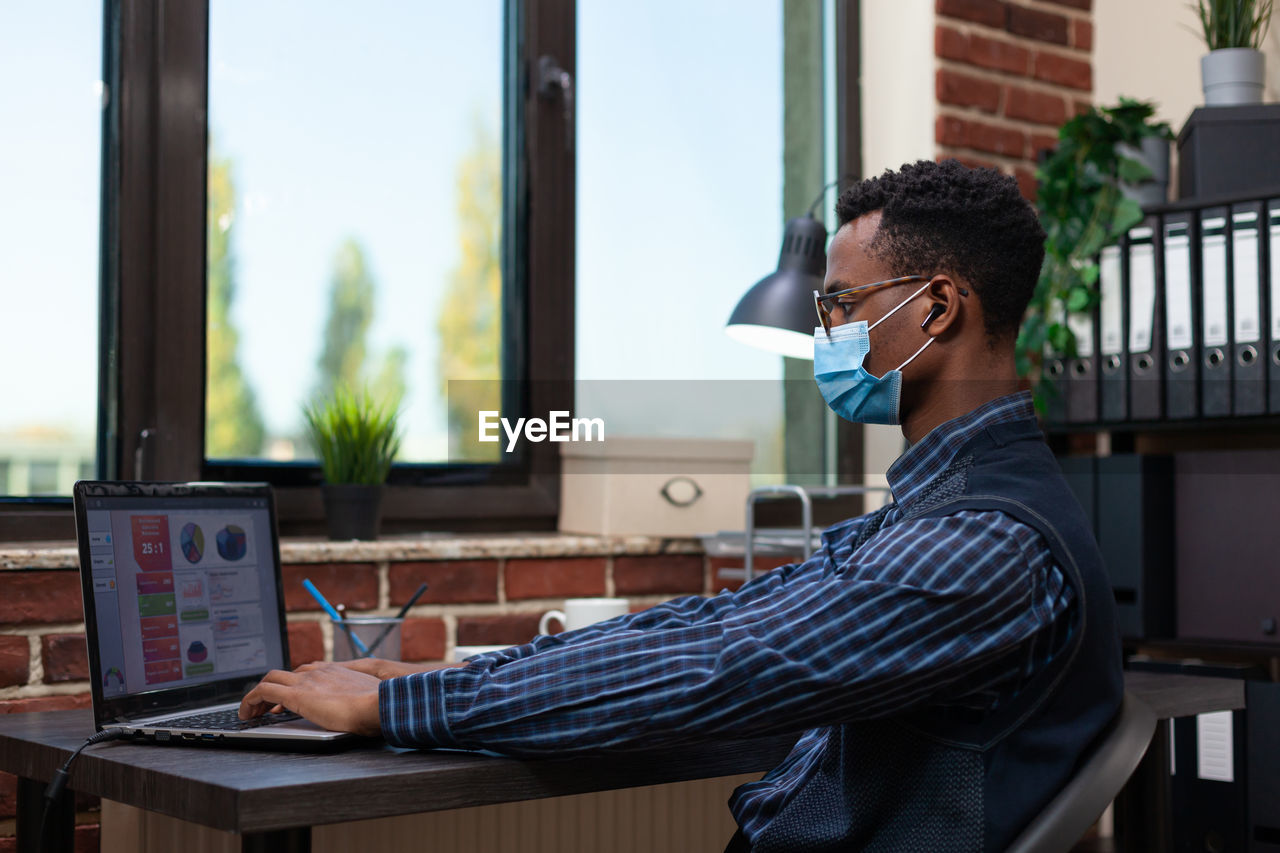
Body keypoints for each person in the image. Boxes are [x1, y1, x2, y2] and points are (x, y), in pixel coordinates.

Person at [241, 159, 1123, 852]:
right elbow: (712, 623)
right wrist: (446, 681)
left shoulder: (984, 545)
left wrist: (394, 711)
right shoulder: (941, 509)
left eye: (842, 304)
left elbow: (717, 668)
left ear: (935, 307)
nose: (826, 334)